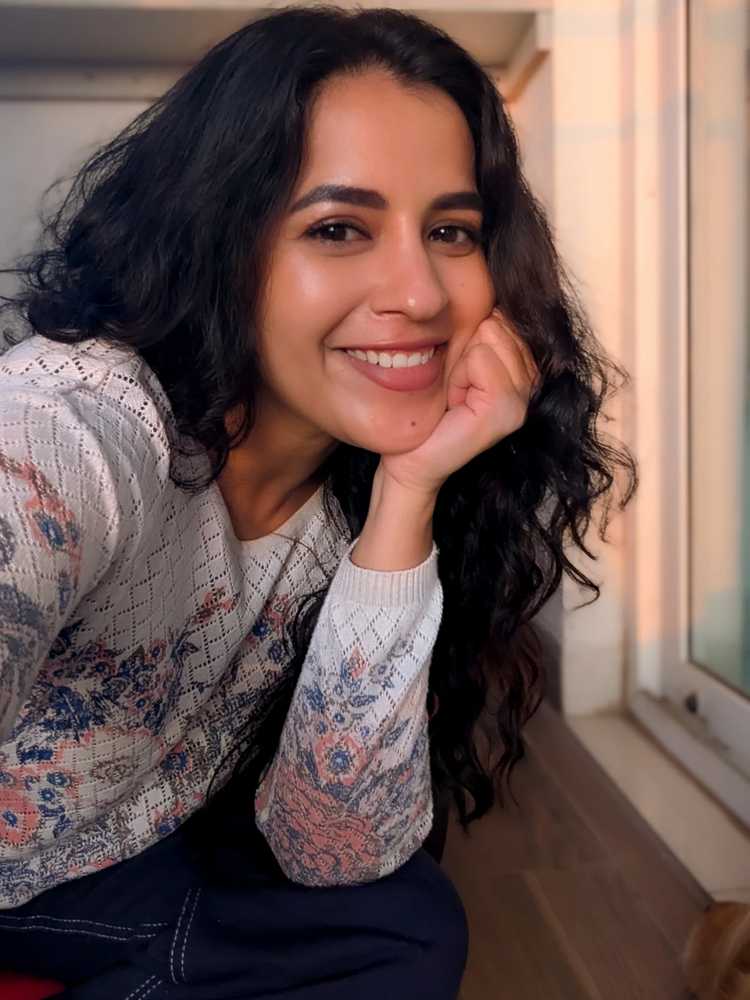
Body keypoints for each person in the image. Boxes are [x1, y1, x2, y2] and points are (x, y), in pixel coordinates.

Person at [0, 4, 637, 997]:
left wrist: (410, 493)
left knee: (405, 919)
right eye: (338, 228)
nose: (420, 293)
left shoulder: (351, 489)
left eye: (451, 231)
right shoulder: (73, 432)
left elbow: (331, 846)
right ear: (216, 241)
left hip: (139, 849)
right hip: (25, 884)